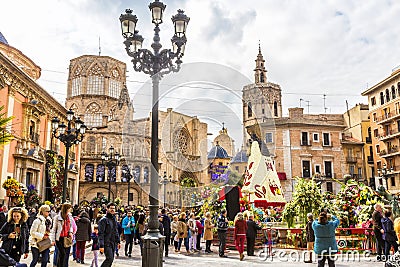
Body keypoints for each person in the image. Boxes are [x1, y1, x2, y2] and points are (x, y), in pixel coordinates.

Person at [50, 202, 74, 267]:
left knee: (63, 254)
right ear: (66, 209)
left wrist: (70, 232)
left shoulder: (69, 217)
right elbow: (54, 229)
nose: (70, 209)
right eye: (69, 208)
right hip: (59, 238)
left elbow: (71, 226)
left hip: (66, 238)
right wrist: (53, 240)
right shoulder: (57, 217)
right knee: (62, 253)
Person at [98, 203, 121, 267]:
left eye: (113, 208)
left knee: (111, 259)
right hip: (106, 243)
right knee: (109, 259)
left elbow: (116, 231)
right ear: (107, 209)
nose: (112, 210)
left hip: (113, 242)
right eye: (111, 208)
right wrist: (101, 245)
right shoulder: (103, 220)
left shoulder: (114, 219)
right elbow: (101, 233)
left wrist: (118, 241)